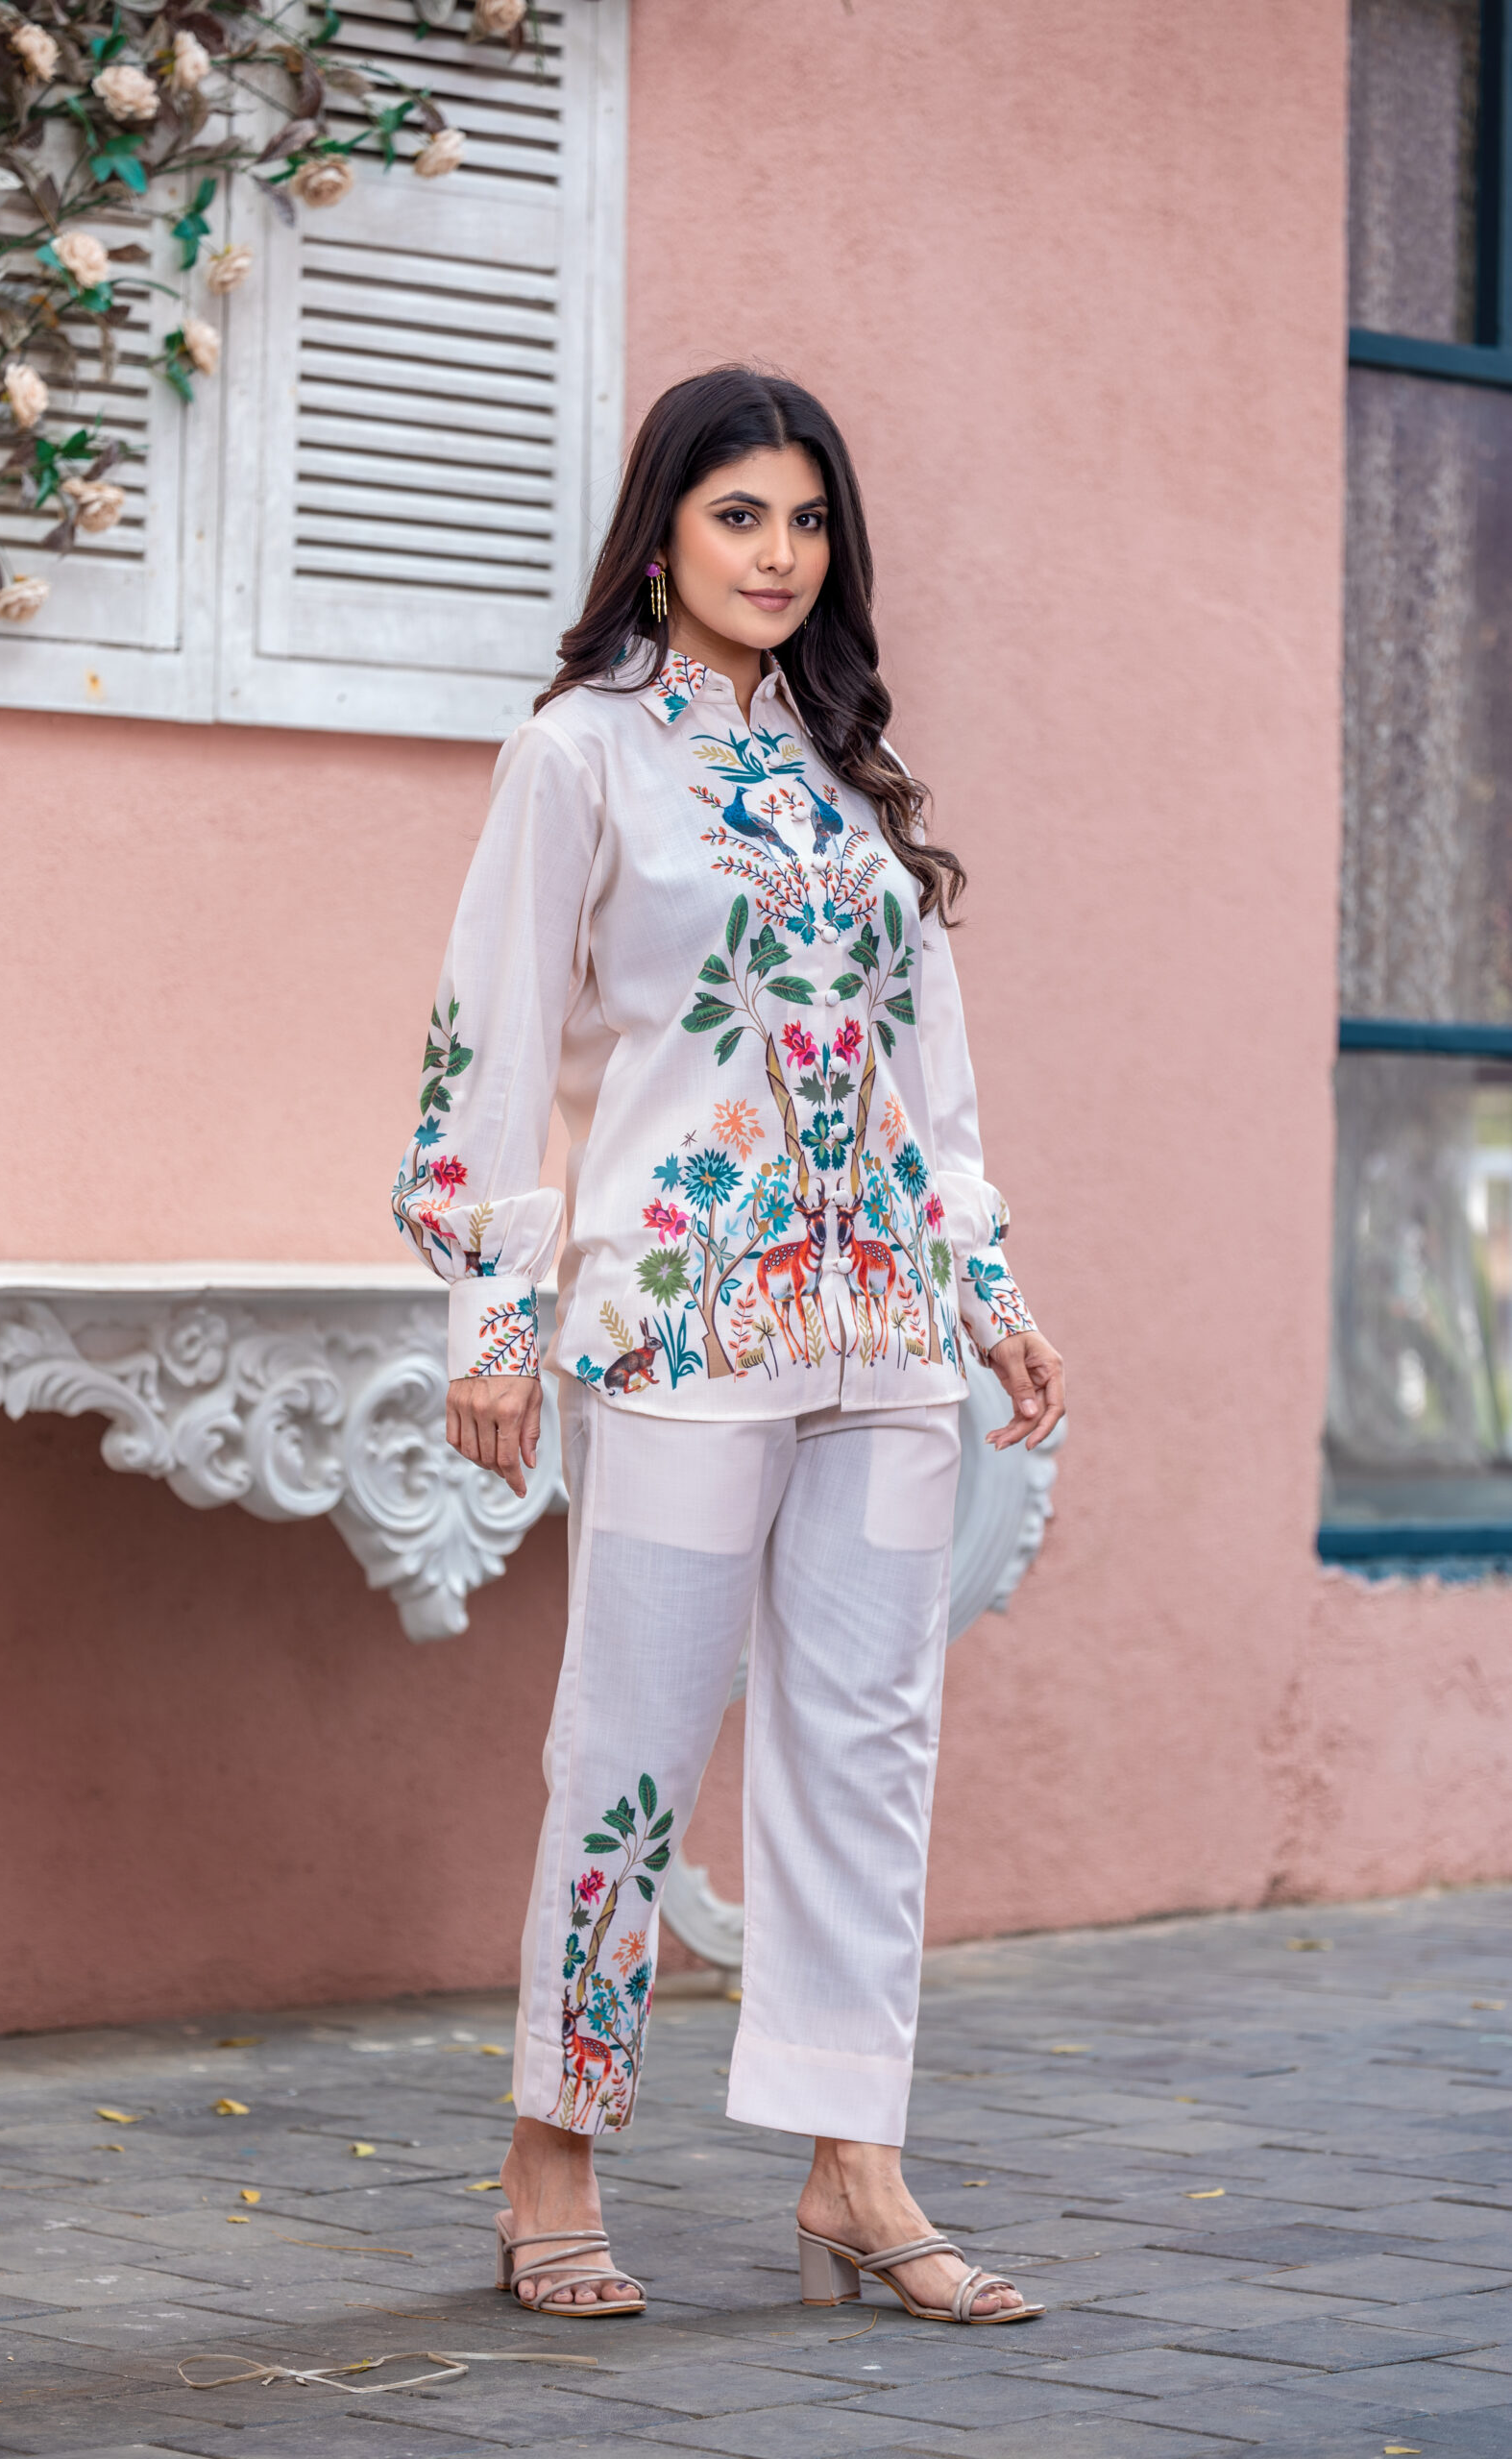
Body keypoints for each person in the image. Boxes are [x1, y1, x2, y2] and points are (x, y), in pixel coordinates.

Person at [392, 367, 1065, 2325]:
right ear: (663, 534)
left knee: (866, 1748)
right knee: (627, 1745)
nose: (778, 555)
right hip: (681, 1320)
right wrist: (494, 1310)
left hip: (880, 1330)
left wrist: (987, 1290)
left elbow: (929, 1079)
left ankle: (855, 2164)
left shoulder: (854, 767)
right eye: (739, 516)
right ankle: (552, 2146)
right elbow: (489, 1037)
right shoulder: (579, 754)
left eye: (807, 520)